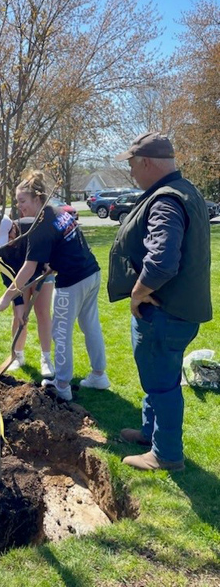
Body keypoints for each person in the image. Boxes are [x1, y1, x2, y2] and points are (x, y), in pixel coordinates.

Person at [108, 132, 212, 472]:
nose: (132, 174)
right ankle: (150, 434)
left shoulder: (165, 200)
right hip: (178, 311)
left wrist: (138, 293)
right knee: (155, 376)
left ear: (148, 163)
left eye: (133, 166)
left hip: (164, 314)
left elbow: (163, 261)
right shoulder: (184, 190)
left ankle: (166, 454)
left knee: (163, 384)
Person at [0, 171, 109, 401]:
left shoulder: (40, 225)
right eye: (18, 202)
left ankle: (61, 385)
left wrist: (7, 296)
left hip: (74, 280)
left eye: (22, 201)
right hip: (92, 272)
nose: (20, 207)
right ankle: (99, 375)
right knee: (91, 325)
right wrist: (55, 263)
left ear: (37, 198)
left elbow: (29, 268)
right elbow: (69, 243)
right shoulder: (57, 212)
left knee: (60, 331)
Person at [0, 215, 55, 376]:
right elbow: (9, 277)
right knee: (18, 315)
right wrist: (19, 303)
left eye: (10, 236)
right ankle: (17, 356)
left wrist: (50, 262)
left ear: (13, 227)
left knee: (42, 313)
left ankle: (46, 359)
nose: (8, 241)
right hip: (19, 278)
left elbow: (52, 242)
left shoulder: (31, 227)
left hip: (43, 271)